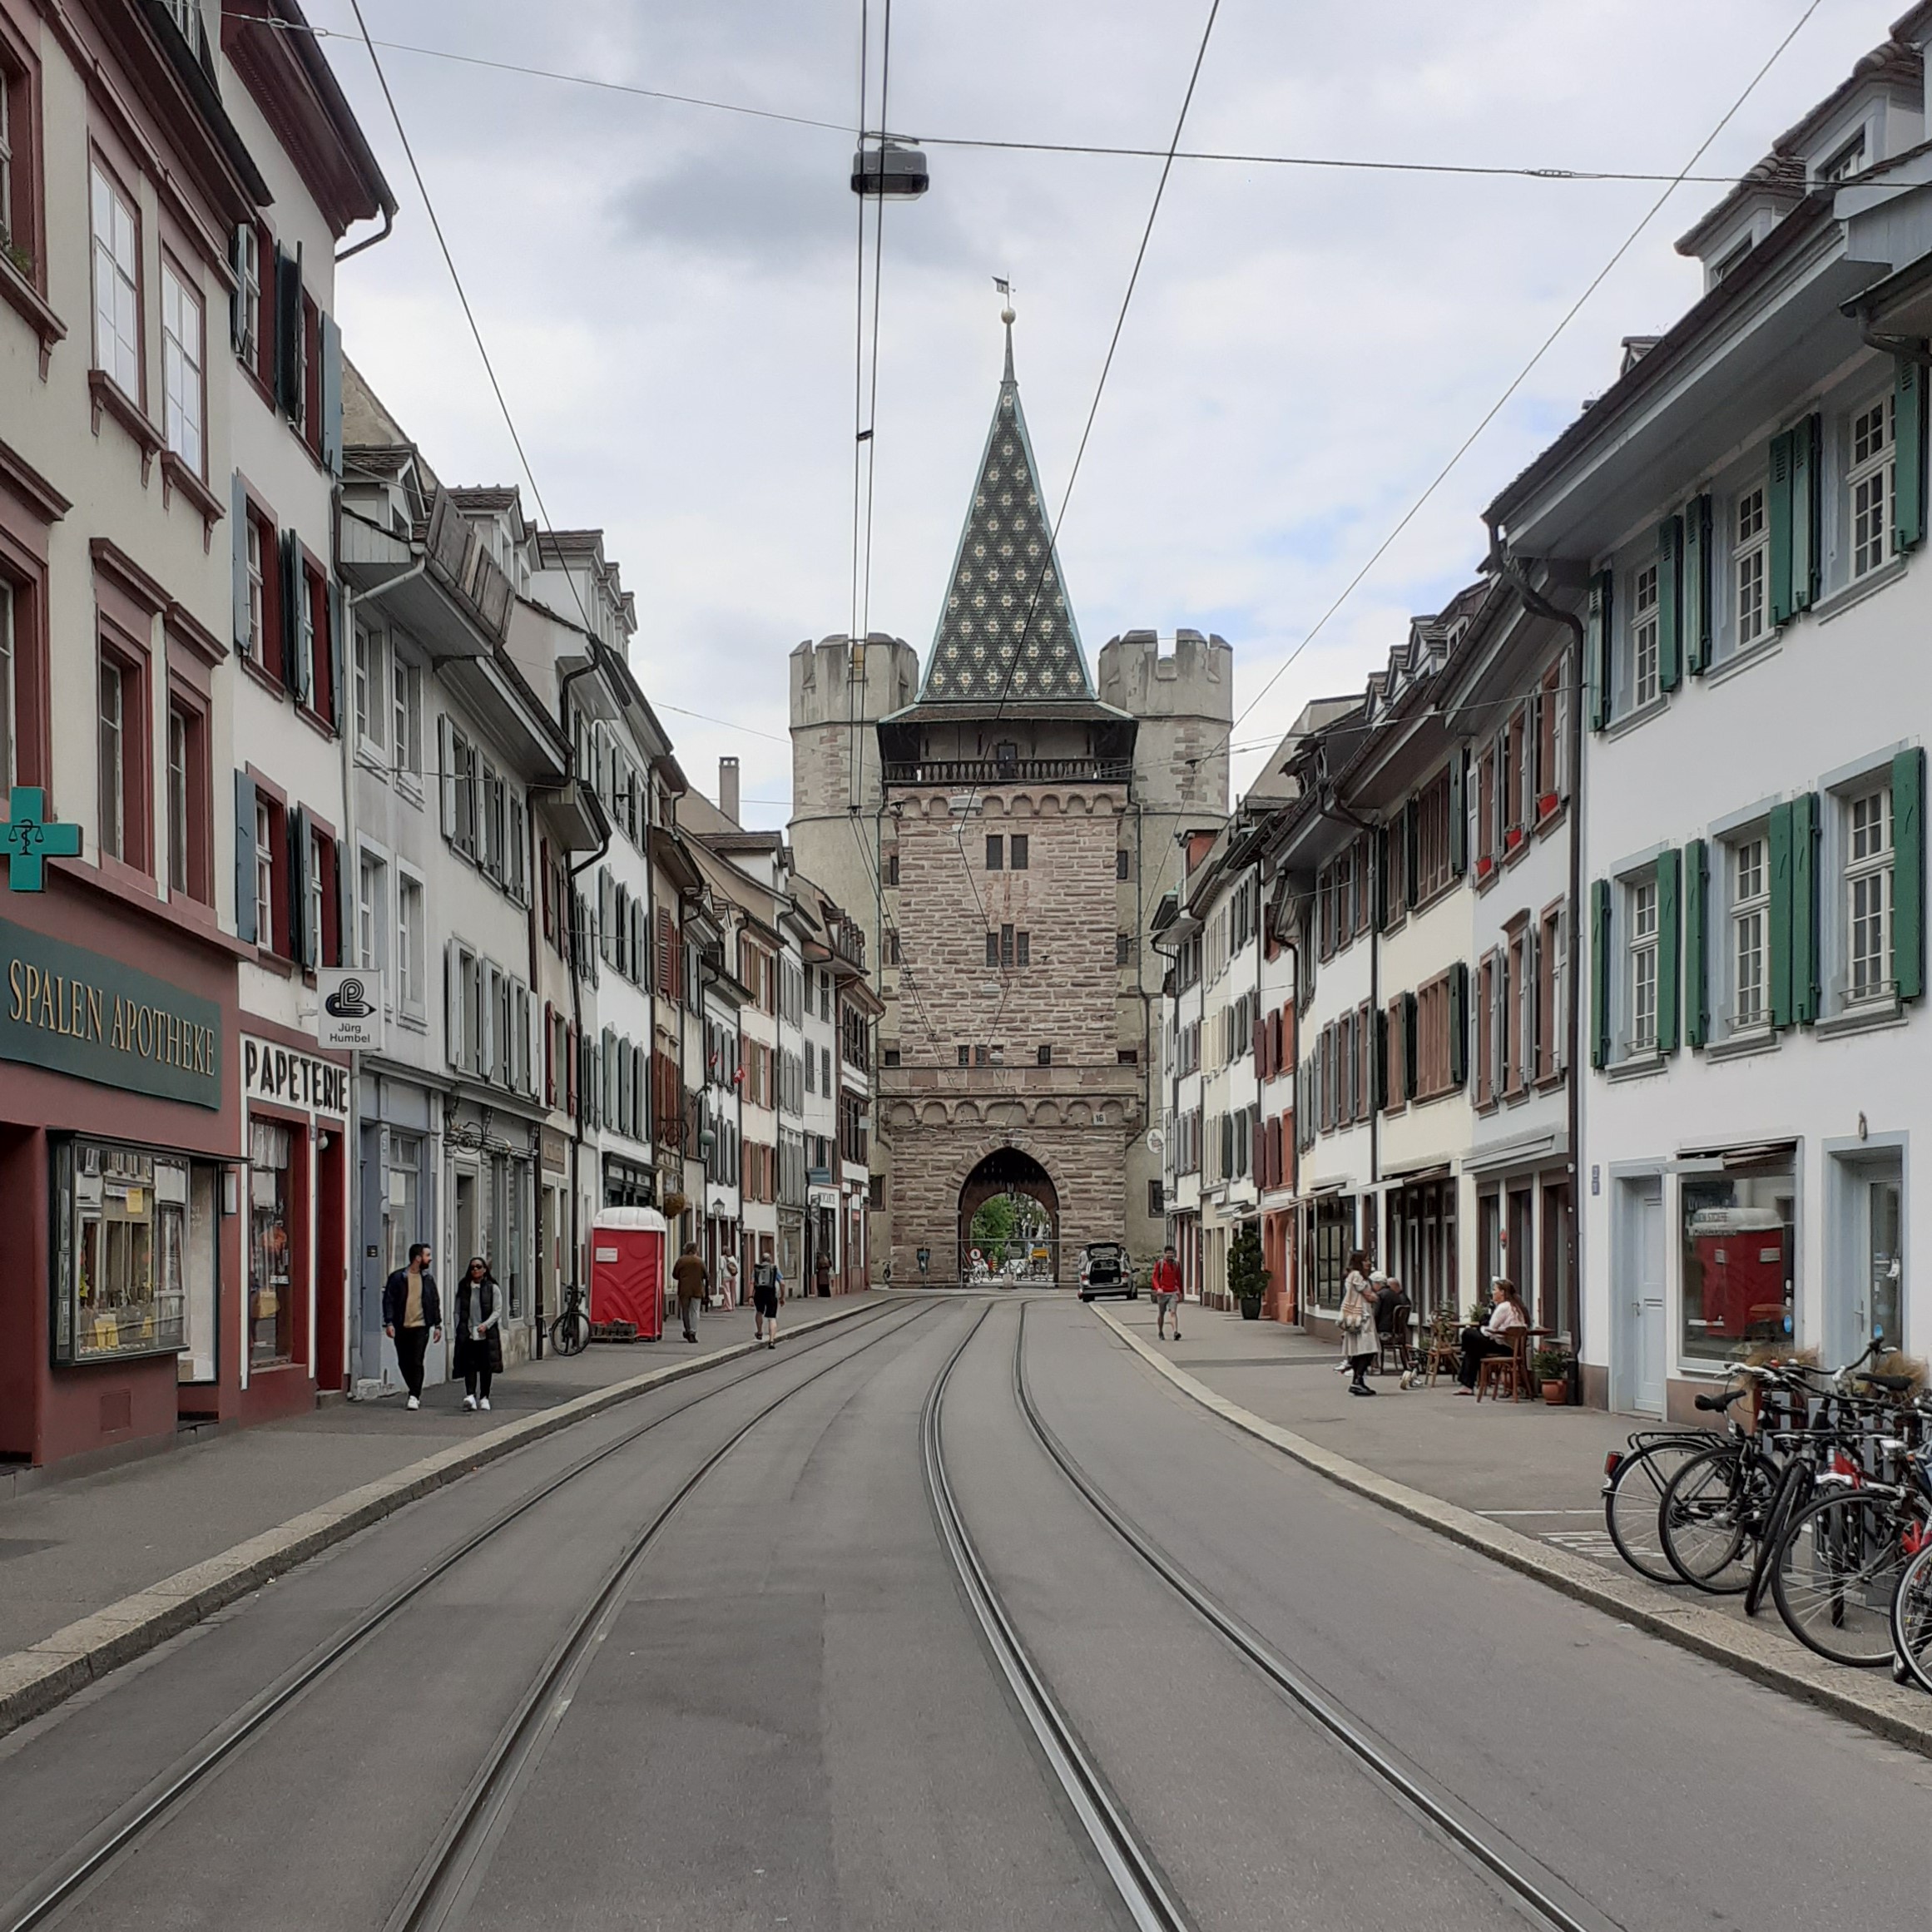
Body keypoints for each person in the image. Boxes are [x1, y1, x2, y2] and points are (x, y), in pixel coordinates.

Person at [381, 1242, 441, 1410]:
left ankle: (414, 1395)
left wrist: (438, 1325)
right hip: (402, 1326)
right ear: (418, 1258)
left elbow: (434, 1302)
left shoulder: (428, 1279)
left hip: (421, 1326)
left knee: (416, 1360)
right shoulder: (397, 1278)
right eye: (427, 1255)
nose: (430, 1259)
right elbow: (389, 1301)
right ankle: (413, 1388)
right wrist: (389, 1322)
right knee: (403, 1361)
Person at [1457, 1279, 1530, 1394]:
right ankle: (1467, 1386)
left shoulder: (1504, 1307)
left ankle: (1467, 1385)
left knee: (1468, 1333)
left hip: (1504, 1346)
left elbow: (1490, 1331)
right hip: (1514, 1348)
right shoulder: (1516, 1306)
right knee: (1473, 1349)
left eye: (1495, 1289)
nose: (1492, 1292)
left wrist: (1481, 1328)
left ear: (1502, 1292)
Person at [453, 1256, 503, 1412]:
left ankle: (484, 1397)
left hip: (486, 1334)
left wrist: (486, 1325)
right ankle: (470, 1395)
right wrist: (460, 1327)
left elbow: (497, 1310)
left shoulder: (492, 1288)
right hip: (468, 1333)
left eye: (479, 1267)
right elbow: (458, 1310)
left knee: (486, 1366)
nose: (475, 1270)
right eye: (472, 1267)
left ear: (485, 1269)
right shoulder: (464, 1287)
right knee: (470, 1365)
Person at [1339, 1251, 1379, 1397]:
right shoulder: (1356, 1276)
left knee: (1360, 1349)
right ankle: (1357, 1380)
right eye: (1365, 1260)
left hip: (1357, 1316)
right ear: (1359, 1262)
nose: (1368, 1263)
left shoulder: (1352, 1276)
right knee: (1368, 1349)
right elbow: (1369, 1295)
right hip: (1361, 1317)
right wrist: (1375, 1296)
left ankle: (1358, 1380)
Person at [672, 1241, 708, 1343]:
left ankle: (687, 1330)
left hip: (684, 1289)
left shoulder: (681, 1260)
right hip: (697, 1289)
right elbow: (706, 1275)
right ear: (695, 1250)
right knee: (695, 1311)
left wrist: (683, 1277)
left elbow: (675, 1275)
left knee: (685, 1311)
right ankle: (693, 1331)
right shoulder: (699, 1261)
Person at [1152, 1245, 1184, 1340]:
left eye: (1172, 1254)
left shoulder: (1176, 1264)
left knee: (1173, 1312)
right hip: (1162, 1293)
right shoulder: (1160, 1264)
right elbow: (1154, 1278)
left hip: (1173, 1292)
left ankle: (1175, 1332)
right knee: (1161, 1313)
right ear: (1165, 1254)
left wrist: (1180, 1292)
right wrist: (1158, 1288)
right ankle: (1160, 1331)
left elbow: (1179, 1279)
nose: (1170, 1256)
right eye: (1168, 1254)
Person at [753, 1254, 781, 1349]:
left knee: (759, 1312)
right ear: (770, 1260)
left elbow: (752, 1282)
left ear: (762, 1260)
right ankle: (771, 1340)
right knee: (772, 1318)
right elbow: (782, 1283)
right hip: (771, 1294)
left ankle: (759, 1332)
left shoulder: (757, 1269)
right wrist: (782, 1297)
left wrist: (750, 1296)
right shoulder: (774, 1269)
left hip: (759, 1293)